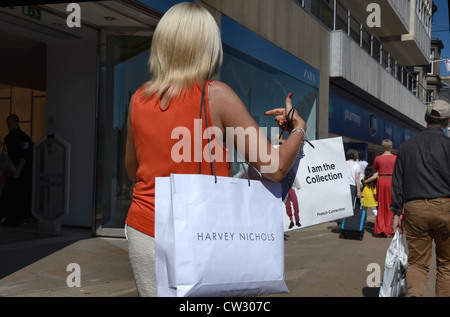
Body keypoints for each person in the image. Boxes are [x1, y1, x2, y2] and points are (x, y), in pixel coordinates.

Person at [124, 2, 307, 297]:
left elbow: (133, 171)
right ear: (208, 48)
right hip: (202, 232)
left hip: (144, 230)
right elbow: (275, 168)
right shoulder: (216, 95)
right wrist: (299, 129)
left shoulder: (138, 100)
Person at [391, 99, 450, 297]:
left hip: (414, 209)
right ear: (448, 122)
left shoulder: (407, 146)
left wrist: (397, 213)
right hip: (445, 208)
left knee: (417, 264)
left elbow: (397, 180)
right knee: (446, 265)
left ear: (425, 118)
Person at [3, 114, 33, 226]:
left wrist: (19, 169)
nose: (8, 126)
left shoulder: (24, 138)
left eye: (10, 123)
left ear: (16, 123)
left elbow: (25, 155)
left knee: (19, 194)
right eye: (7, 124)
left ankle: (17, 218)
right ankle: (8, 217)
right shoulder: (7, 138)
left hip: (21, 170)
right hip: (9, 169)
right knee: (9, 193)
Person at [365, 139, 396, 237]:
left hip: (381, 181)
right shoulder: (396, 158)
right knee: (391, 204)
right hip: (392, 181)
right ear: (391, 146)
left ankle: (381, 228)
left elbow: (375, 171)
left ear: (383, 147)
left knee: (381, 205)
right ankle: (390, 228)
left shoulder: (377, 158)